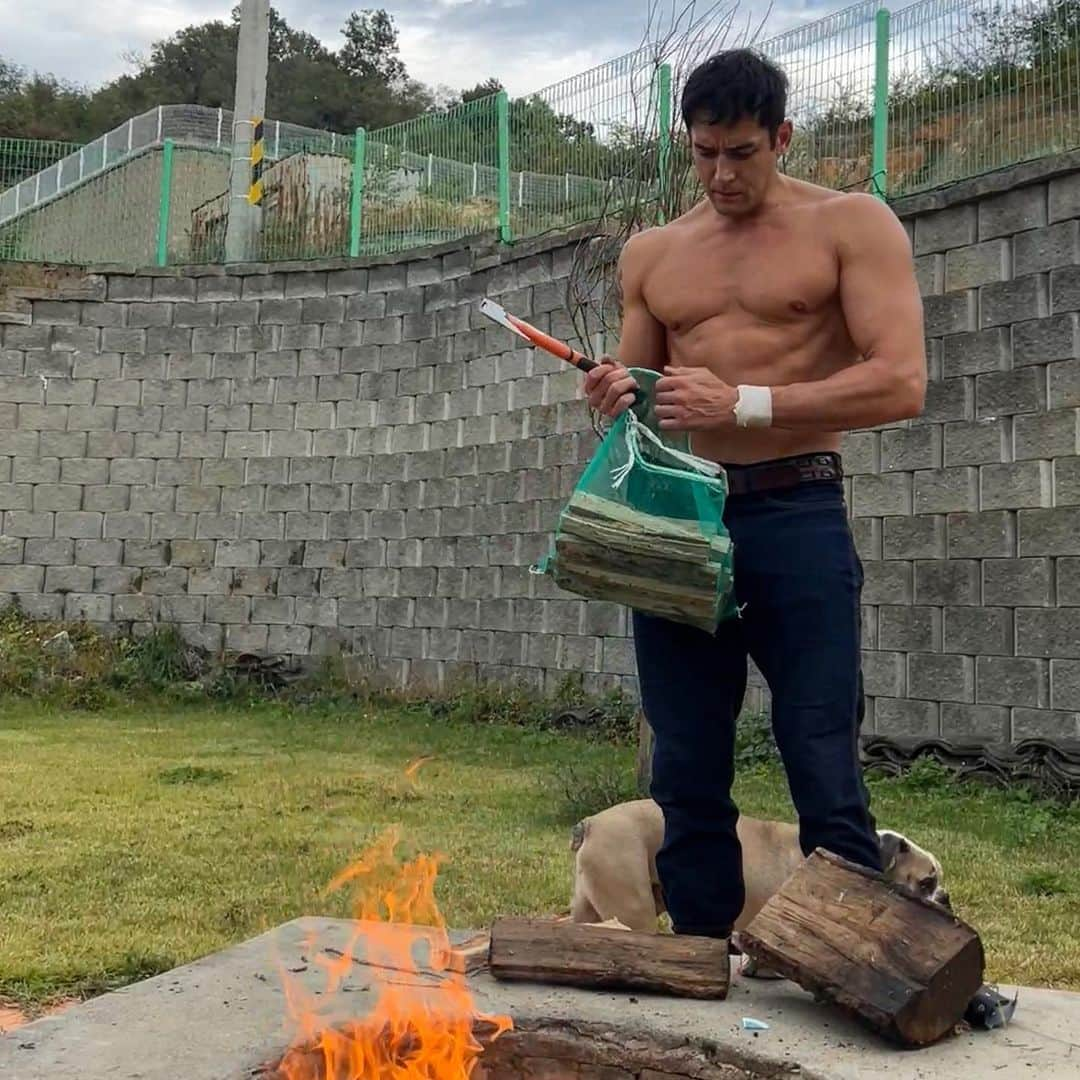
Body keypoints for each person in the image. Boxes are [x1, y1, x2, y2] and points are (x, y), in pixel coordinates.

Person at [583, 48, 927, 942]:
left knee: (820, 748)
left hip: (797, 505)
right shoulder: (654, 252)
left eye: (742, 152)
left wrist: (747, 401)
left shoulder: (852, 225)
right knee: (687, 757)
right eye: (704, 153)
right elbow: (643, 398)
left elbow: (900, 383)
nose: (722, 173)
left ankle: (852, 956)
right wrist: (616, 396)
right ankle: (702, 959)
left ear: (781, 137)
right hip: (685, 511)